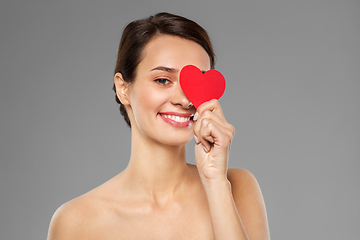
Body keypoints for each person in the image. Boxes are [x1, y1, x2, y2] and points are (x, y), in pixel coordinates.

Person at [47, 12, 270, 240]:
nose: (184, 100)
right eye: (163, 80)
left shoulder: (236, 187)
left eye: (194, 84)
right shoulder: (76, 221)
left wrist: (215, 183)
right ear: (123, 88)